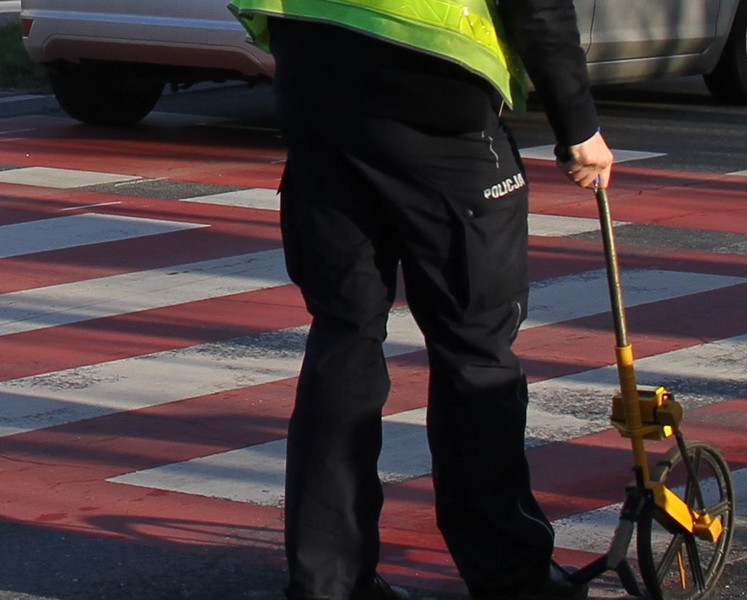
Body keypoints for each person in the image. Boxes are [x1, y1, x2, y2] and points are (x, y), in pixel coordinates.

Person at [226, 1, 614, 599]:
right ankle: (509, 576)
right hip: (436, 91)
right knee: (474, 346)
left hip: (316, 78)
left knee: (343, 336)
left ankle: (329, 581)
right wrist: (578, 125)